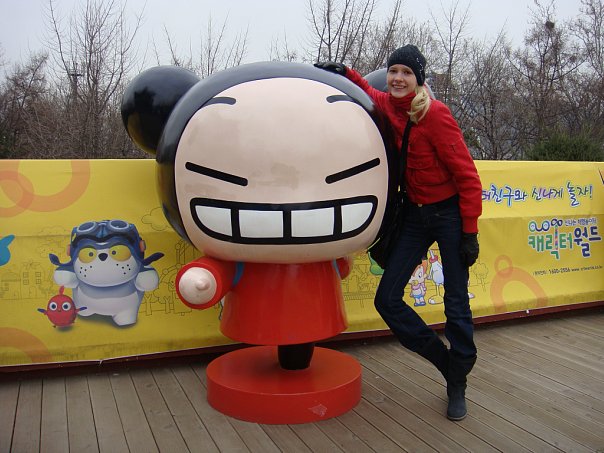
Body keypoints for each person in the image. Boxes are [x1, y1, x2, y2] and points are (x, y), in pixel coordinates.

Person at [314, 44, 482, 421]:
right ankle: (446, 363)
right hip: (415, 216)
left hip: (449, 215)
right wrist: (345, 71)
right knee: (387, 300)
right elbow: (368, 91)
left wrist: (469, 232)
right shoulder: (388, 105)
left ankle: (458, 380)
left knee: (456, 300)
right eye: (393, 71)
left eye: (406, 73)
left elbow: (468, 177)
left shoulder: (435, 115)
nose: (398, 78)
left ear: (418, 79)